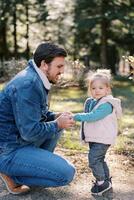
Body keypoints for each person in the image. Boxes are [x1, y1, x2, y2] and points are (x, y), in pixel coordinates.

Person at [0, 42, 75, 195]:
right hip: (8, 150)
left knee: (57, 128)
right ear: (44, 64)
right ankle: (12, 175)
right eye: (59, 67)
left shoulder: (35, 77)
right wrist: (57, 124)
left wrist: (55, 117)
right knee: (66, 174)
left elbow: (35, 115)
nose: (62, 71)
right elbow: (29, 132)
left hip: (19, 140)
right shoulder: (28, 84)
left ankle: (30, 165)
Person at [73, 69, 122, 196]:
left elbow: (94, 116)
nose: (97, 90)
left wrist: (77, 116)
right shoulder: (94, 101)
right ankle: (106, 181)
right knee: (100, 159)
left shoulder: (106, 104)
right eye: (93, 88)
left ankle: (101, 183)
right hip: (96, 137)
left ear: (107, 89)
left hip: (103, 138)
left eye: (101, 88)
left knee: (94, 159)